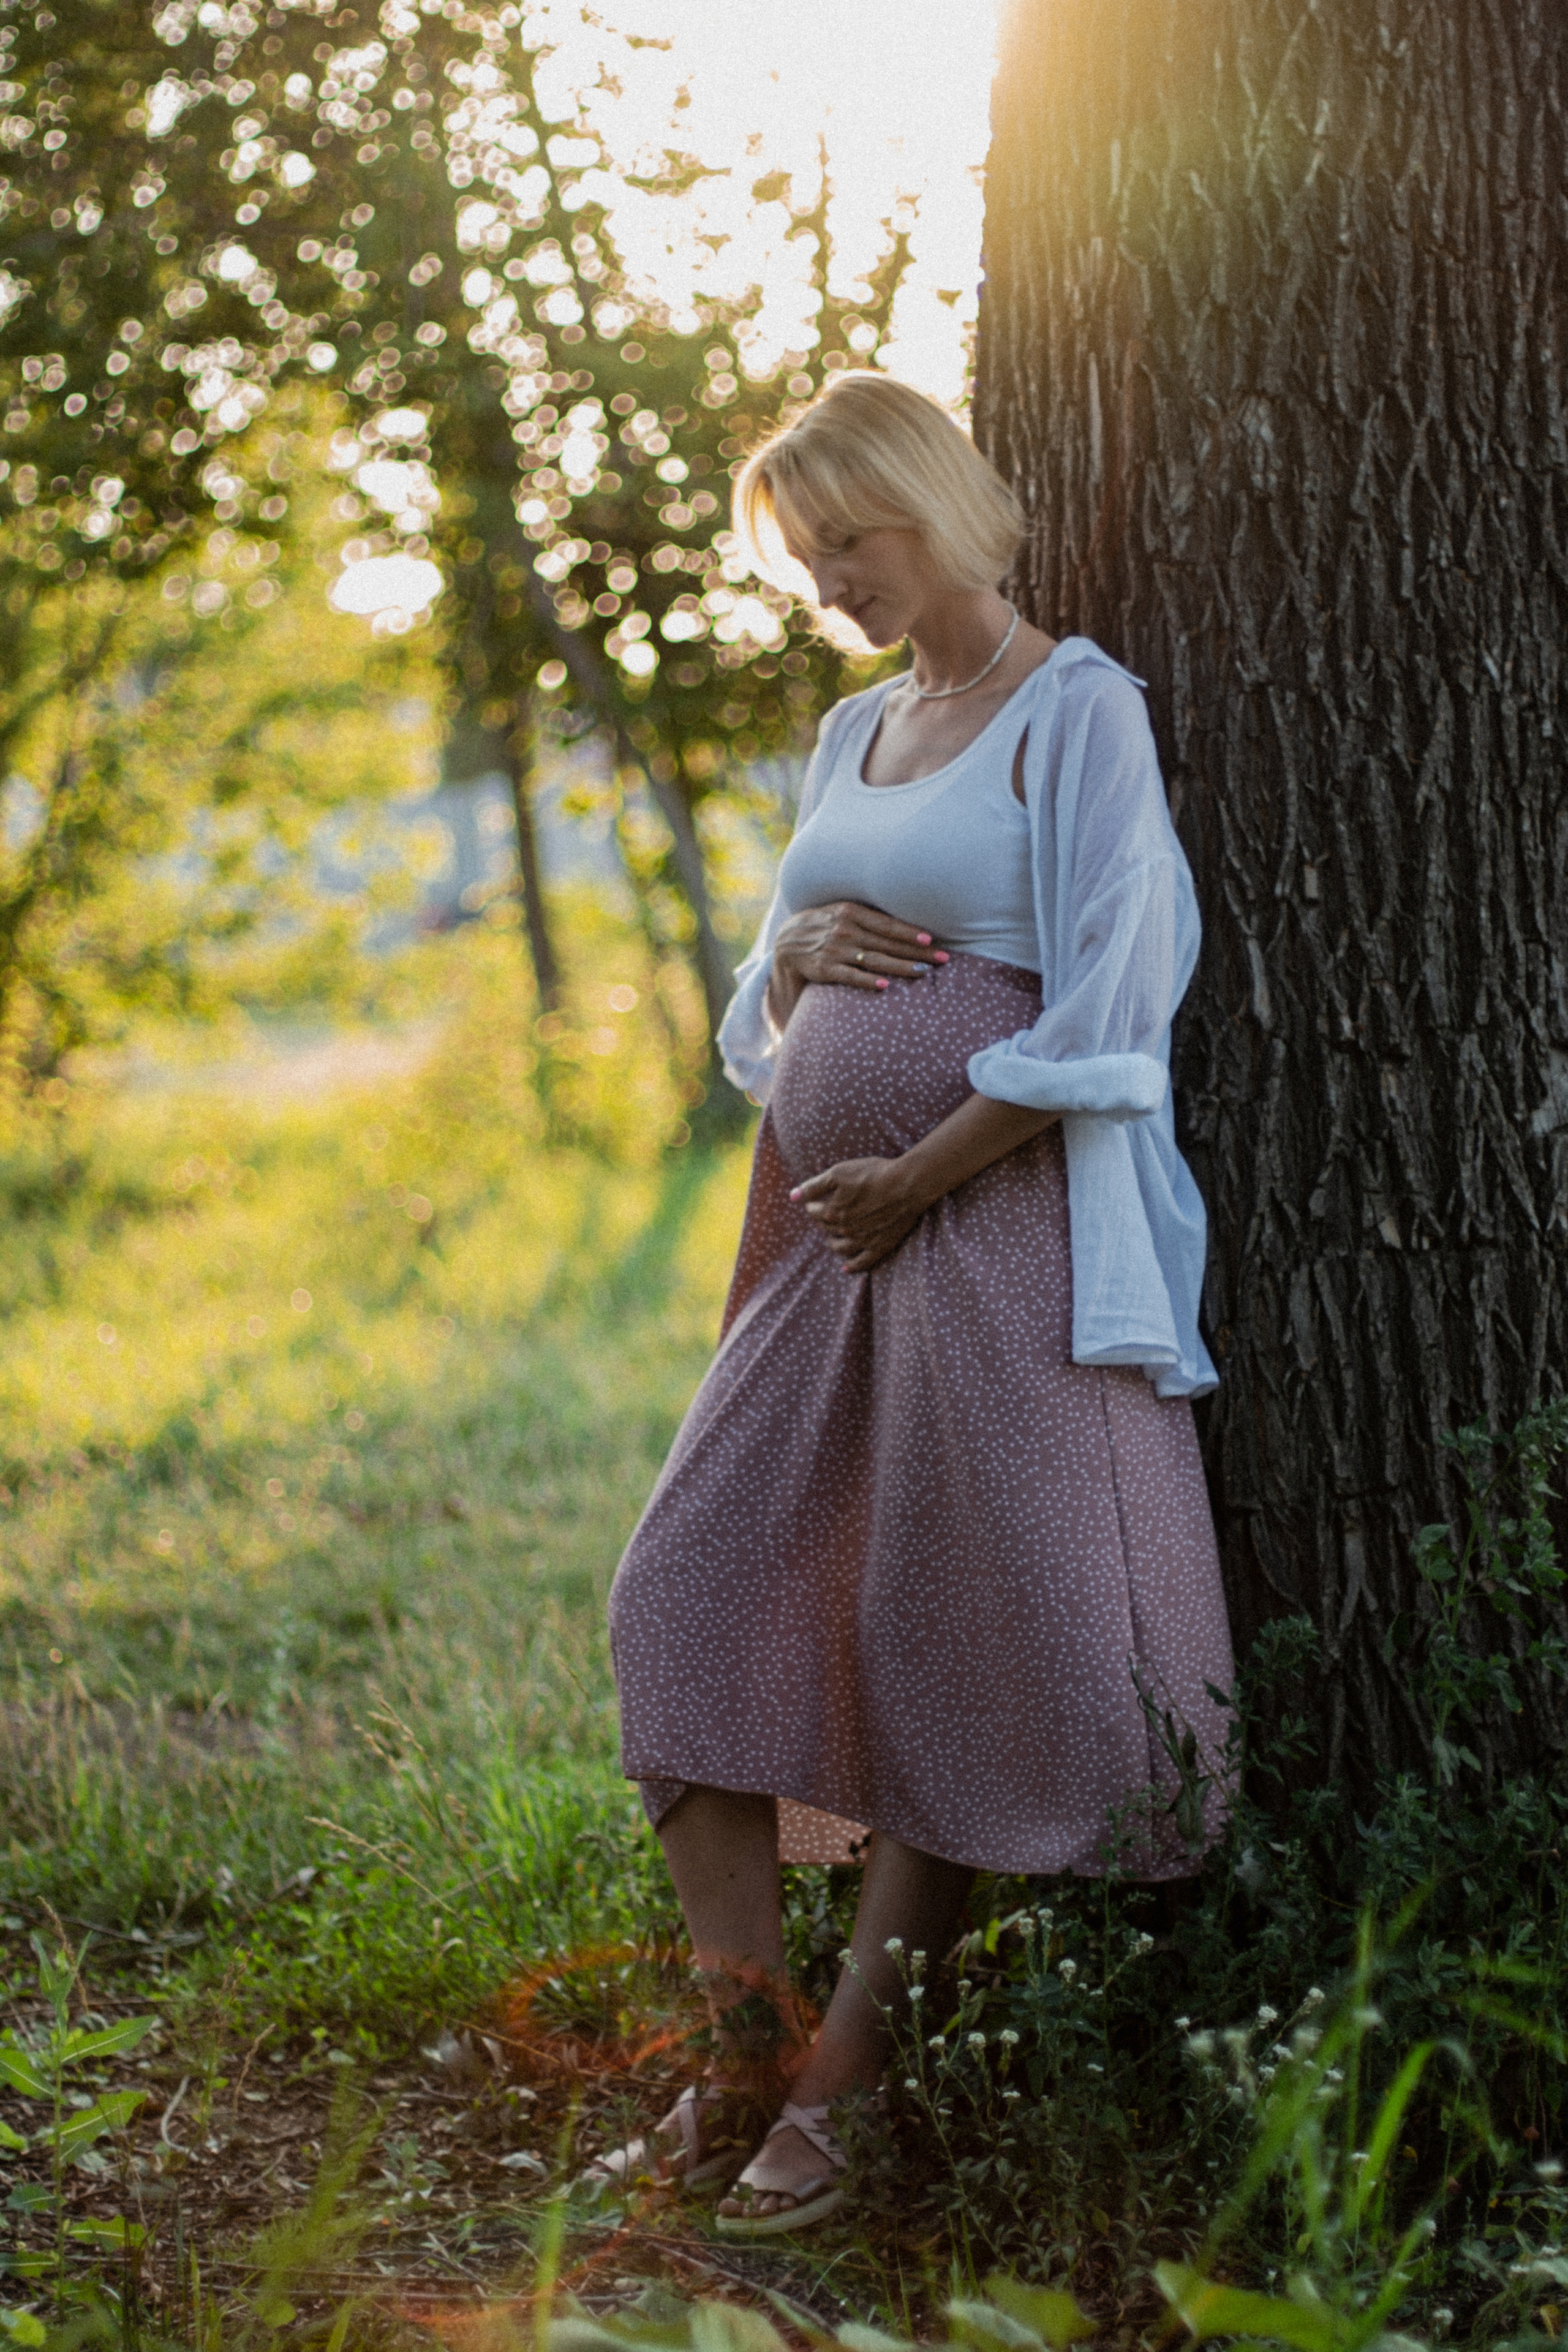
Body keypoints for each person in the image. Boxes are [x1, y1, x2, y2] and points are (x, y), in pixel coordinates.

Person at [597, 371, 1234, 2236]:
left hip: (994, 1233)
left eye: (844, 544)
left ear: (930, 504)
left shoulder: (1076, 713)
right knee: (688, 1590)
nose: (827, 588)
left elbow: (1118, 1004)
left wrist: (926, 1170)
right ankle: (739, 2055)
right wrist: (789, 954)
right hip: (818, 1243)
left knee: (950, 1633)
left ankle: (841, 2089)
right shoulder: (853, 729)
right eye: (801, 564)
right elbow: (769, 1011)